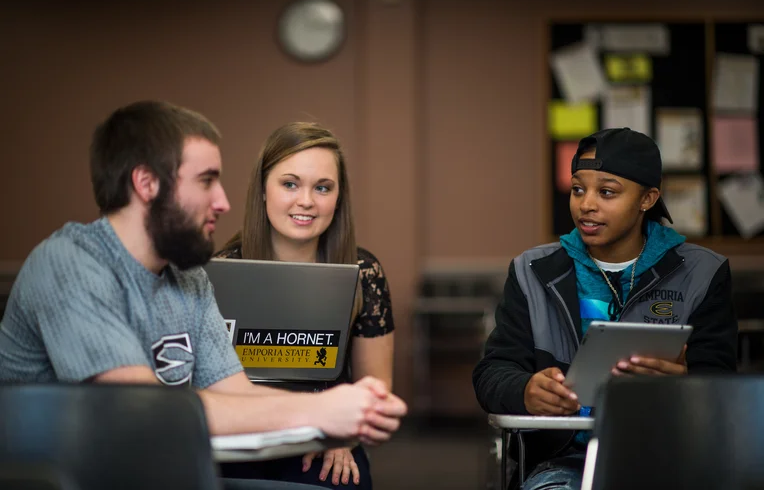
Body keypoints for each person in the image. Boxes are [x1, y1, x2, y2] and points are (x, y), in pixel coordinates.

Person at [0, 101, 407, 490]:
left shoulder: (187, 276)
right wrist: (322, 411)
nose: (224, 202)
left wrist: (342, 414)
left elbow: (235, 391)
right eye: (207, 181)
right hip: (68, 475)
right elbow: (148, 412)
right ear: (147, 184)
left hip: (149, 465)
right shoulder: (69, 265)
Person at [472, 127, 738, 490]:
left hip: (669, 456)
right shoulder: (532, 271)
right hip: (563, 462)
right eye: (578, 189)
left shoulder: (701, 273)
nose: (586, 204)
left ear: (647, 199)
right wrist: (525, 391)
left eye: (607, 192)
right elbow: (492, 373)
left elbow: (724, 390)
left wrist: (687, 385)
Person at [216, 122, 394, 490]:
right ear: (263, 190)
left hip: (325, 440)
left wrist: (343, 436)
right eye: (290, 184)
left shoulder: (364, 271)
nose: (306, 201)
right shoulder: (218, 270)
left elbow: (375, 387)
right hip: (240, 436)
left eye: (322, 188)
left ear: (338, 198)